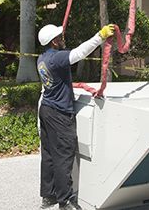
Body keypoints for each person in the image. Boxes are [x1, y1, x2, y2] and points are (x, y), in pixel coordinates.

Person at [36, 23, 115, 210]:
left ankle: (48, 196)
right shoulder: (57, 58)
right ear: (54, 42)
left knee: (48, 155)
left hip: (46, 109)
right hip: (59, 114)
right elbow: (79, 53)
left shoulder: (42, 58)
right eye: (60, 37)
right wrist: (100, 36)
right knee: (64, 156)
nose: (63, 38)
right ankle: (65, 201)